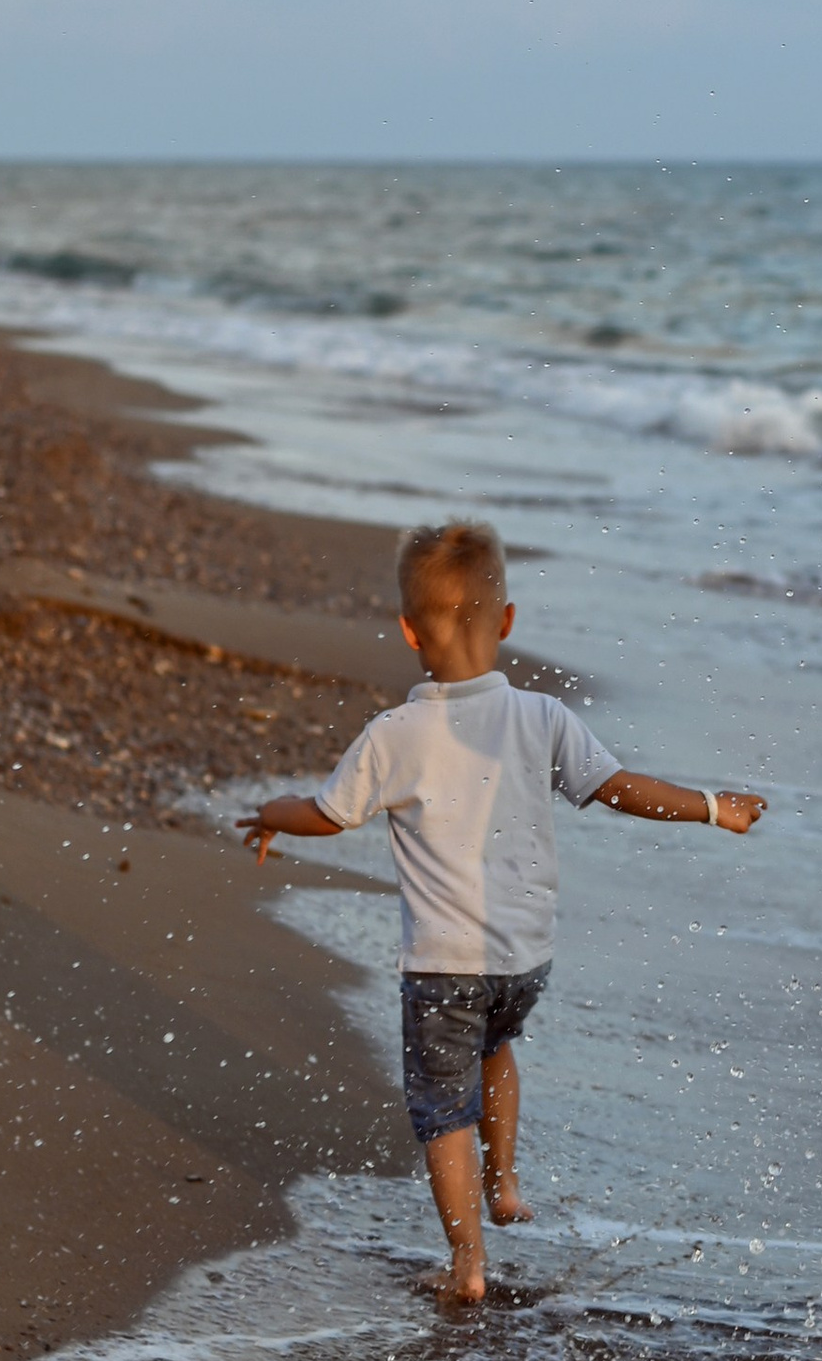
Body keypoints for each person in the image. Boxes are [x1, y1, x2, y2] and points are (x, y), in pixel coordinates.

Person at [247, 516, 765, 1302]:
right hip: (525, 958)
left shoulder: (394, 734)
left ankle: (467, 1263)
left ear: (409, 631)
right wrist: (710, 806)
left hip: (443, 963)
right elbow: (618, 787)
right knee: (497, 1046)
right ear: (509, 620)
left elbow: (329, 814)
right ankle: (508, 1181)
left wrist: (271, 813)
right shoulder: (543, 717)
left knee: (440, 1108)